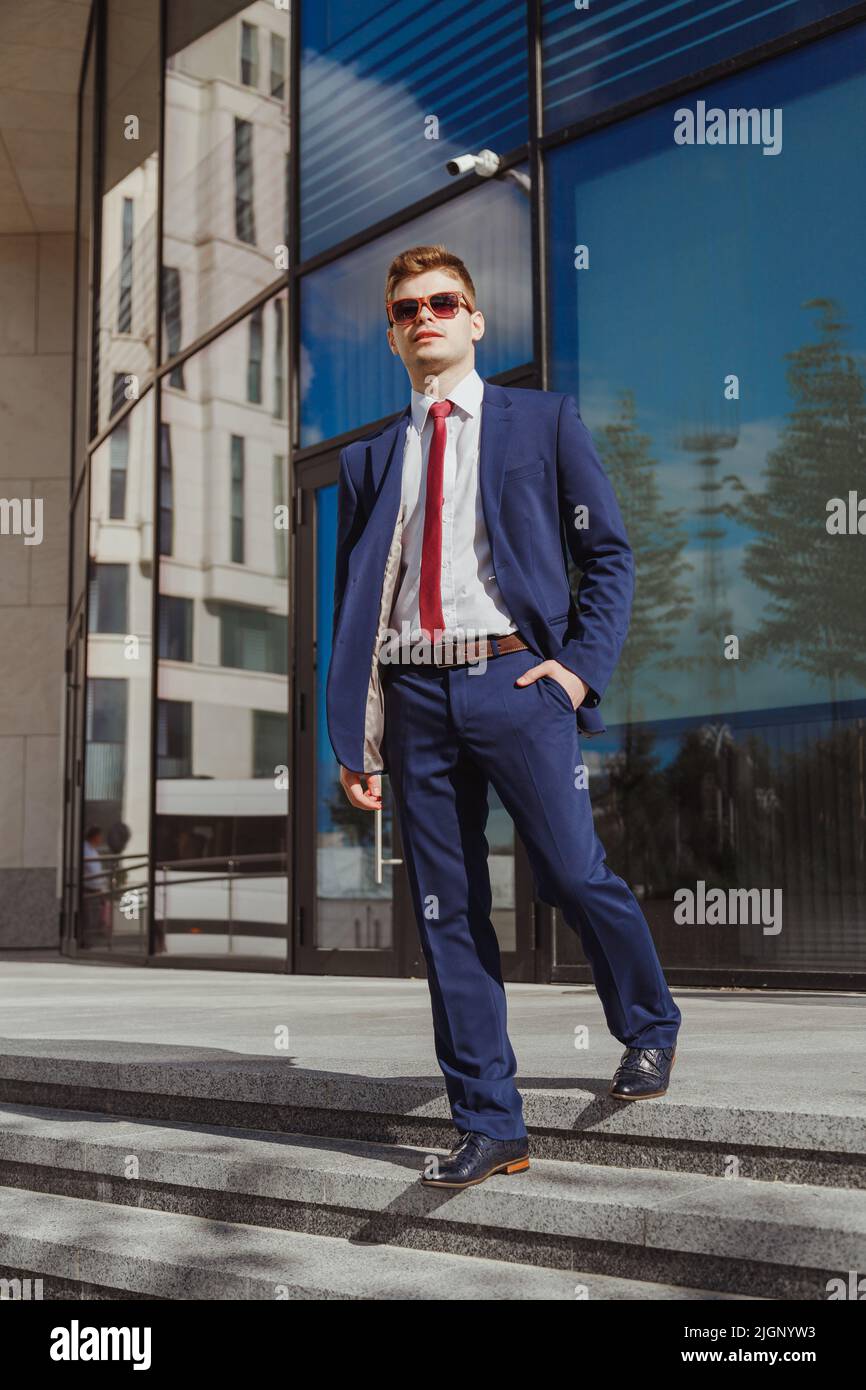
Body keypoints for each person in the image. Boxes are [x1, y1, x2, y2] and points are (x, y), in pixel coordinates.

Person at [326, 244, 681, 1190]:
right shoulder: (370, 459)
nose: (426, 317)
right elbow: (357, 607)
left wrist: (576, 672)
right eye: (408, 308)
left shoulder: (541, 421)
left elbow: (609, 555)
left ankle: (649, 1025)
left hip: (517, 684)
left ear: (476, 321)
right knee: (447, 918)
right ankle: (492, 1124)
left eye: (445, 302)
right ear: (394, 332)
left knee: (572, 872)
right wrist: (356, 735)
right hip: (413, 698)